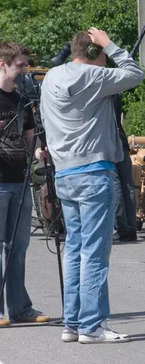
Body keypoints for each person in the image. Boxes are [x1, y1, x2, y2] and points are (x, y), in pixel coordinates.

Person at [39, 27, 144, 343]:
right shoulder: (94, 77)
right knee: (95, 252)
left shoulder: (52, 78)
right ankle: (92, 326)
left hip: (64, 175)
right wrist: (110, 44)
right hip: (94, 173)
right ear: (95, 53)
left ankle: (72, 323)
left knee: (74, 248)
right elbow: (135, 73)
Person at [0, 41, 51, 327]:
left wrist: (38, 151)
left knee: (18, 247)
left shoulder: (22, 99)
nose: (24, 71)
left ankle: (19, 308)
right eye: (20, 65)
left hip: (20, 180)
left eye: (27, 65)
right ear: (3, 64)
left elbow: (30, 133)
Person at [112, 94, 137, 242]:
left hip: (109, 143)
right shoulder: (115, 93)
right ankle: (131, 228)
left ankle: (121, 228)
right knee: (127, 186)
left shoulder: (98, 92)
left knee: (115, 185)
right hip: (122, 142)